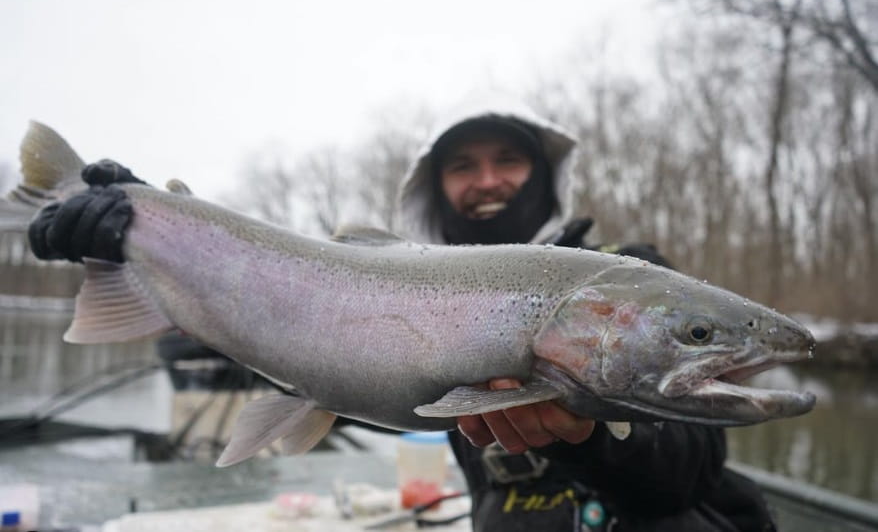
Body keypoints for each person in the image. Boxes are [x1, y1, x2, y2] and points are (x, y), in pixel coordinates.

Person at [28, 97, 775, 531]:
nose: (487, 180)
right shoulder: (380, 288)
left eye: (507, 161)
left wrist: (586, 437)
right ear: (437, 188)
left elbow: (690, 472)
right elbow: (290, 342)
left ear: (543, 176)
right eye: (463, 165)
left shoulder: (638, 274)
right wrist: (148, 223)